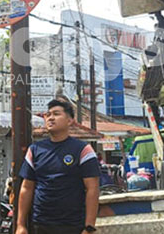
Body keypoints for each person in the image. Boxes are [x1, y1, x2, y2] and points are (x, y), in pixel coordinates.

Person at [15, 99, 101, 234]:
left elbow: (92, 189)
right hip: (40, 224)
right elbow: (27, 187)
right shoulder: (35, 150)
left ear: (70, 120)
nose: (50, 118)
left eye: (56, 114)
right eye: (47, 115)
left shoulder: (83, 150)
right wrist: (20, 225)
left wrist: (89, 227)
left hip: (73, 226)